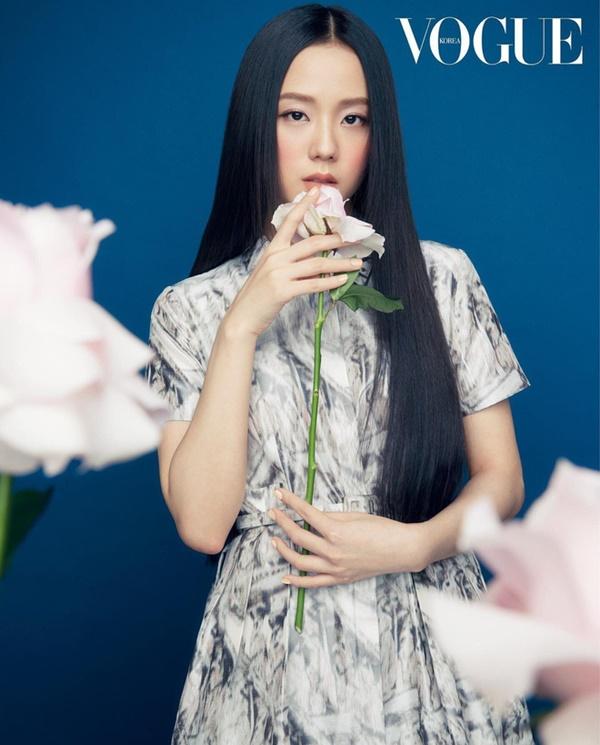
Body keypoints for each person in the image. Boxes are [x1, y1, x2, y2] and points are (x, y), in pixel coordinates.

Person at [145, 5, 534, 743]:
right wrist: (244, 321)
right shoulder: (190, 310)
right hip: (267, 671)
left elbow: (503, 481)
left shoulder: (442, 280)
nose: (324, 145)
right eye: (296, 114)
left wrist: (412, 545)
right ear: (255, 125)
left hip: (430, 661)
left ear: (377, 137)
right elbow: (201, 524)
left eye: (353, 119)